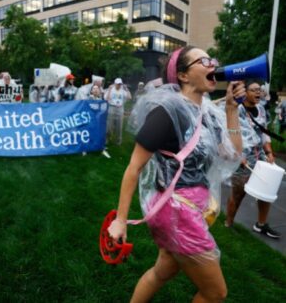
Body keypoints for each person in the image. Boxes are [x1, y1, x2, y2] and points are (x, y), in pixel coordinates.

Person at [108, 46, 245, 302]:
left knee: (162, 272)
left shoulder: (208, 115)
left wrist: (231, 110)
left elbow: (233, 155)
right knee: (215, 293)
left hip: (188, 210)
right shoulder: (167, 113)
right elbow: (133, 168)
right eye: (204, 60)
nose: (212, 64)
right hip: (177, 213)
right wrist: (121, 220)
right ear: (183, 75)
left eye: (213, 59)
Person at [225, 79, 281, 239]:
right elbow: (228, 134)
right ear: (244, 92)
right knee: (238, 193)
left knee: (266, 191)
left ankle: (261, 225)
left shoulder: (261, 109)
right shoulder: (235, 109)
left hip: (260, 156)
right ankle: (228, 223)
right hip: (242, 157)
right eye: (254, 90)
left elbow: (264, 132)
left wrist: (269, 151)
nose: (258, 92)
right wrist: (238, 156)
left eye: (259, 90)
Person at [104, 78, 131, 145]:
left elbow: (129, 97)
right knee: (109, 125)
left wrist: (127, 89)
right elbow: (106, 98)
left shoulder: (123, 90)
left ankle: (118, 140)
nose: (119, 85)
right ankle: (107, 138)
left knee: (119, 126)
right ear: (115, 83)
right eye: (117, 84)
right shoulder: (111, 89)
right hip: (112, 107)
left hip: (120, 108)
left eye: (120, 84)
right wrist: (109, 89)